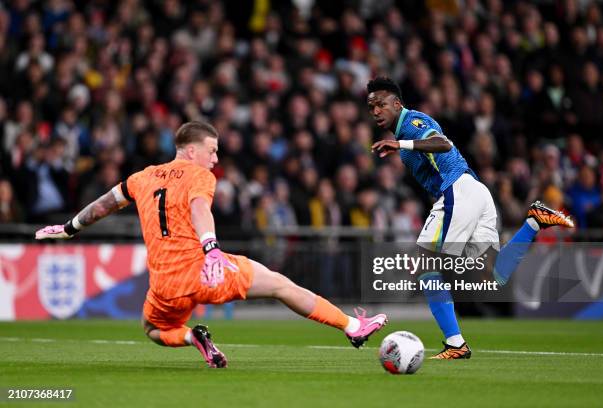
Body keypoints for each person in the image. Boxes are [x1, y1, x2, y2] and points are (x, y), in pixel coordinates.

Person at [35, 121, 387, 368]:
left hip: (164, 285)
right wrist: (211, 248)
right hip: (204, 271)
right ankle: (351, 327)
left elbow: (103, 205)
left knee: (154, 329)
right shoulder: (198, 175)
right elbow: (199, 207)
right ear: (191, 150)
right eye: (212, 151)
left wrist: (69, 228)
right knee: (280, 284)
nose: (215, 159)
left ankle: (192, 339)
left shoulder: (141, 177)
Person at [366, 77, 574, 359]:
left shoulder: (412, 122)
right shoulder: (405, 136)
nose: (376, 111)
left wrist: (402, 144)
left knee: (426, 267)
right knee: (494, 277)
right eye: (371, 107)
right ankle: (534, 222)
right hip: (474, 192)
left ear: (397, 104)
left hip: (457, 191)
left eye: (380, 104)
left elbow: (442, 144)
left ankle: (455, 344)